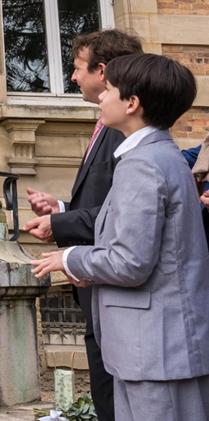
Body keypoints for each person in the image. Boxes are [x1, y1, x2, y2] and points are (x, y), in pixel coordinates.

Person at [32, 53, 209, 421]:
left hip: (154, 351)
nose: (101, 96)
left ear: (132, 103)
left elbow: (130, 262)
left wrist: (68, 258)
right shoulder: (159, 155)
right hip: (155, 347)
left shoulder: (144, 163)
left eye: (109, 89)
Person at [23, 28, 143, 421]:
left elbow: (118, 215)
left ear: (103, 71)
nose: (72, 77)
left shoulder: (122, 133)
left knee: (111, 387)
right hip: (98, 276)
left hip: (106, 276)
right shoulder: (108, 126)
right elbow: (102, 202)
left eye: (77, 68)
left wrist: (60, 229)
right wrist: (58, 207)